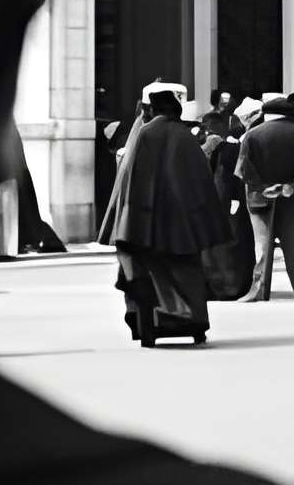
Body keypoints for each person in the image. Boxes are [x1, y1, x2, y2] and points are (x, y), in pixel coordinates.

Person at [96, 81, 229, 344]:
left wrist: (127, 221)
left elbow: (133, 178)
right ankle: (194, 325)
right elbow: (200, 178)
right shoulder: (184, 136)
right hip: (183, 224)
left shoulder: (145, 133)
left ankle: (150, 329)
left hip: (148, 222)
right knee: (187, 273)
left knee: (148, 275)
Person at [232, 95, 294, 302]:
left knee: (262, 245)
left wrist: (264, 187)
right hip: (290, 196)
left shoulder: (253, 134)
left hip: (259, 198)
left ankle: (260, 290)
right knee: (291, 244)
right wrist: (290, 185)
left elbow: (242, 170)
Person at [200, 98, 250, 299]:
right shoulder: (231, 145)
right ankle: (228, 285)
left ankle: (218, 286)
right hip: (227, 203)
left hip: (215, 203)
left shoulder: (211, 145)